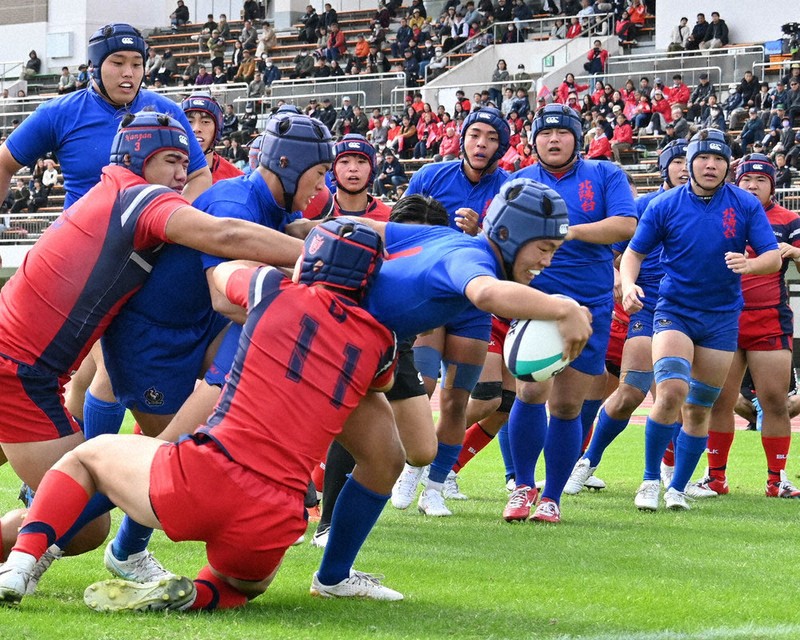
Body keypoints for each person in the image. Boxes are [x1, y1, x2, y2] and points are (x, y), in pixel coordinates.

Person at [0, 218, 397, 611]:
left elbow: (225, 273)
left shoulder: (273, 289)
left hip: (204, 478)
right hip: (275, 513)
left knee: (88, 455)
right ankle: (201, 595)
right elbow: (379, 384)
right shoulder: (381, 341)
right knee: (248, 581)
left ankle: (21, 563)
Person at [0, 111, 314, 587]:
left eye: (185, 162)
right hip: (19, 374)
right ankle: (42, 553)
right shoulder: (137, 198)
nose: (181, 174)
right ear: (137, 157)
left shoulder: (116, 193)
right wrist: (325, 257)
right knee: (84, 521)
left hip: (21, 365)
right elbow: (225, 234)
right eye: (170, 160)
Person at [621, 129, 781, 511]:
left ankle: (677, 488)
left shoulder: (744, 204)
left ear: (728, 166)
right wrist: (628, 285)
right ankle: (648, 481)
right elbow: (633, 253)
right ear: (690, 163)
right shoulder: (664, 204)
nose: (711, 166)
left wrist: (751, 264)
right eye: (703, 159)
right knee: (671, 392)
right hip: (674, 310)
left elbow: (772, 257)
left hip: (722, 318)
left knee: (699, 407)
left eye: (719, 160)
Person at [503, 103, 637, 524]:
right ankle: (523, 485)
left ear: (577, 139)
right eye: (545, 134)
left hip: (590, 306)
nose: (554, 139)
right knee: (528, 392)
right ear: (534, 140)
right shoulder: (519, 180)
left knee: (567, 407)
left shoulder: (605, 174)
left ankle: (552, 496)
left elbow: (625, 224)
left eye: (562, 133)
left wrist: (568, 229)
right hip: (534, 301)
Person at [564, 141, 688, 493]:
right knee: (631, 391)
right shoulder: (644, 207)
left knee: (677, 395)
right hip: (647, 308)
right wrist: (622, 282)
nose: (682, 168)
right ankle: (587, 461)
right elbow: (613, 256)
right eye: (675, 161)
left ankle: (670, 470)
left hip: (692, 310)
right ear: (664, 167)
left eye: (686, 161)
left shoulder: (713, 208)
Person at [0, 23, 211, 212]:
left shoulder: (167, 111)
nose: (128, 72)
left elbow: (200, 175)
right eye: (118, 63)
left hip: (154, 247)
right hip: (86, 244)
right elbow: (3, 162)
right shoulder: (58, 113)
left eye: (137, 64)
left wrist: (173, 216)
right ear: (94, 68)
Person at [686, 155, 800, 499]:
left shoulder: (789, 220)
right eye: (746, 179)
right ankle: (715, 477)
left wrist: (793, 253)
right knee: (720, 400)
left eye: (760, 180)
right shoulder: (721, 212)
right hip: (724, 317)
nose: (752, 185)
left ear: (773, 186)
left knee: (775, 400)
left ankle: (776, 479)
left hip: (769, 318)